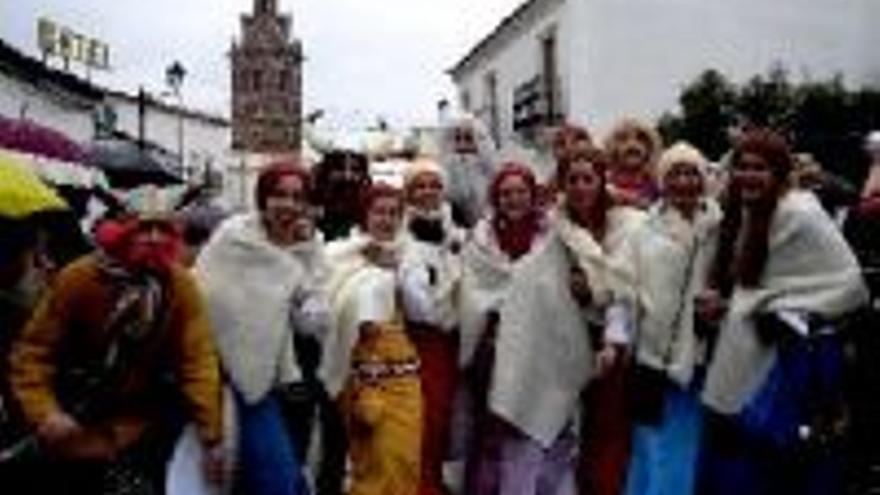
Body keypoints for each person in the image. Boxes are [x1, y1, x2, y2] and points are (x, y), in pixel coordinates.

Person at [8, 185, 225, 494]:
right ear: (123, 228)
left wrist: (211, 434)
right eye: (144, 228)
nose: (154, 238)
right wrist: (45, 413)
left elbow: (198, 359)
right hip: (68, 427)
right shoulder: (80, 277)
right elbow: (33, 352)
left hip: (132, 431)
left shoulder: (180, 286)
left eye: (163, 228)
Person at [697, 129, 868, 495]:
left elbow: (849, 285)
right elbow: (757, 287)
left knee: (790, 462)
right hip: (746, 350)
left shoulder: (801, 214)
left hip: (797, 361)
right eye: (741, 167)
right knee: (743, 462)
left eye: (759, 168)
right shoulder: (744, 210)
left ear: (780, 172)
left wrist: (770, 306)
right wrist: (729, 305)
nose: (747, 175)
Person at [489, 146, 644, 495]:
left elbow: (627, 291)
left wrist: (609, 332)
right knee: (565, 441)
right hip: (565, 348)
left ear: (602, 180)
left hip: (614, 351)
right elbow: (534, 285)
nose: (580, 187)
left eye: (588, 178)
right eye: (571, 179)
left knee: (607, 439)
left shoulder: (629, 227)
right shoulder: (556, 231)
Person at [195, 162, 326, 495]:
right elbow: (204, 297)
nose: (288, 204)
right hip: (220, 373)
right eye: (279, 194)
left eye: (298, 197)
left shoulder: (309, 248)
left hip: (282, 378)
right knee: (268, 478)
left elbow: (312, 322)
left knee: (280, 475)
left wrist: (306, 259)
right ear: (263, 198)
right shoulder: (233, 238)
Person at [621, 142, 722, 495]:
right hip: (653, 357)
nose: (684, 181)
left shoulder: (720, 227)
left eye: (692, 172)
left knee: (681, 447)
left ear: (704, 178)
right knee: (650, 446)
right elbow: (625, 288)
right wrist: (620, 342)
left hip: (700, 357)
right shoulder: (642, 229)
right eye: (675, 173)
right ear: (662, 180)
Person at [319, 183, 424, 495]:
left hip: (403, 381)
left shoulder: (411, 255)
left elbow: (423, 312)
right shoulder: (338, 255)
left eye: (394, 213)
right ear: (365, 215)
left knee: (404, 463)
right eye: (379, 211)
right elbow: (324, 313)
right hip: (359, 379)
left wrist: (397, 270)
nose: (386, 220)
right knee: (370, 468)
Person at [457, 162, 549, 495]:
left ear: (532, 194)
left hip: (539, 348)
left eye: (521, 191)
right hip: (492, 348)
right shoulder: (480, 240)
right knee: (490, 429)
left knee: (532, 429)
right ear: (496, 197)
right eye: (506, 193)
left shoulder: (552, 235)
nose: (514, 198)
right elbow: (474, 293)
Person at [398, 159, 465, 495]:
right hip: (419, 340)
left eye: (434, 185)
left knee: (447, 418)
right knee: (424, 418)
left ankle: (433, 480)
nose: (428, 192)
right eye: (419, 186)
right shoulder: (400, 235)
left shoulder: (457, 232)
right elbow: (417, 302)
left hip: (455, 340)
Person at [438, 114, 497, 228]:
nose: (462, 146)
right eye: (457, 139)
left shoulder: (497, 182)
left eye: (469, 139)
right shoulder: (438, 186)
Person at [603, 119, 663, 209]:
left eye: (640, 140)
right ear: (614, 148)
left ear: (649, 148)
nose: (632, 144)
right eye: (624, 140)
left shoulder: (657, 183)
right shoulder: (604, 181)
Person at [313, 150, 371, 242]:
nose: (348, 176)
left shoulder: (371, 222)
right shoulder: (311, 221)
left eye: (355, 169)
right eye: (339, 168)